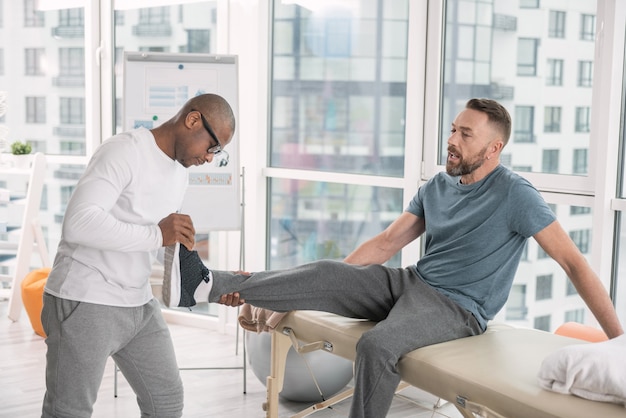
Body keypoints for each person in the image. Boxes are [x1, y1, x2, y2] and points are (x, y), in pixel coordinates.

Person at [163, 98, 624, 418]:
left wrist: (619, 342)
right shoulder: (437, 187)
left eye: (466, 134)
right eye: (453, 129)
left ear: (493, 148)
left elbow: (573, 265)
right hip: (411, 283)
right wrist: (302, 293)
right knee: (328, 271)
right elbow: (385, 244)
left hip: (458, 308)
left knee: (376, 345)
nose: (453, 140)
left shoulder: (517, 196)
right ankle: (206, 283)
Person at [41, 93, 236, 418]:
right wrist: (158, 233)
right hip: (86, 300)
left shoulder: (179, 173)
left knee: (166, 403)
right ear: (193, 120)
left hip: (137, 304)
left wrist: (215, 284)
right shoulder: (125, 150)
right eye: (213, 147)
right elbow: (79, 222)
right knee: (69, 412)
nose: (210, 158)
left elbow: (156, 246)